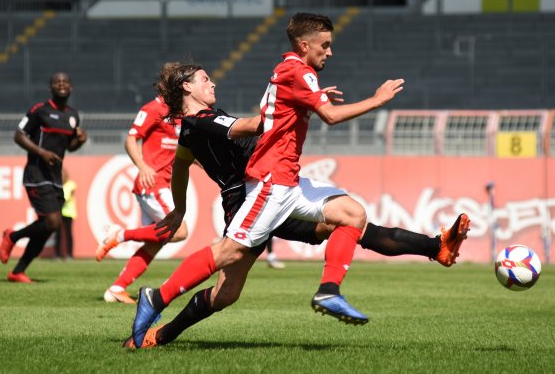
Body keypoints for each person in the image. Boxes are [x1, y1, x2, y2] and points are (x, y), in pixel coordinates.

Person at [127, 52, 469, 348]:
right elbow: (253, 125)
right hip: (251, 196)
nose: (212, 83)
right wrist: (302, 100)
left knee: (350, 221)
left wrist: (180, 210)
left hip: (268, 191)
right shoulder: (202, 121)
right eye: (205, 79)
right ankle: (157, 301)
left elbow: (182, 165)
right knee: (228, 282)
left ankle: (433, 247)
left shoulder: (192, 126)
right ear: (187, 87)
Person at [95, 62, 188, 304]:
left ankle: (116, 288)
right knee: (180, 230)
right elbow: (130, 139)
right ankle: (120, 234)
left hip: (163, 184)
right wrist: (143, 166)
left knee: (153, 244)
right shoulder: (154, 108)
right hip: (152, 182)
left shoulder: (178, 113)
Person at [0, 72, 87, 283]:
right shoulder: (39, 110)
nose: (61, 84)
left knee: (49, 226)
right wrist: (42, 153)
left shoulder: (73, 115)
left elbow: (69, 147)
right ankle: (12, 236)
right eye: (57, 82)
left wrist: (80, 141)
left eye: (65, 81)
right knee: (53, 221)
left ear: (71, 87)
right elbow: (18, 135)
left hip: (56, 177)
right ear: (51, 88)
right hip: (36, 173)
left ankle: (18, 271)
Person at [55, 167, 77, 260]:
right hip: (59, 213)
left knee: (68, 233)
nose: (62, 176)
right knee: (58, 234)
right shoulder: (57, 185)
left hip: (69, 212)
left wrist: (59, 201)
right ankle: (57, 255)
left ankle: (69, 254)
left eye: (63, 174)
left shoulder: (71, 184)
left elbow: (68, 197)